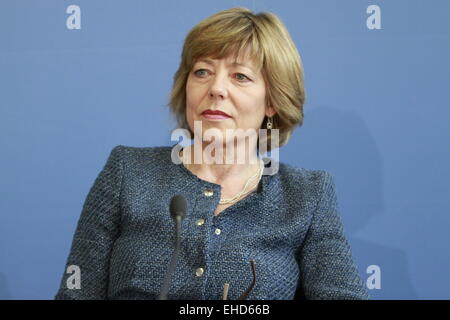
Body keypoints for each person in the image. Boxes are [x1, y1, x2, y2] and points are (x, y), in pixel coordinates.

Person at [55, 7, 369, 300]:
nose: (216, 88)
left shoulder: (306, 195)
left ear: (272, 101)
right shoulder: (128, 172)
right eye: (202, 71)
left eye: (240, 76)